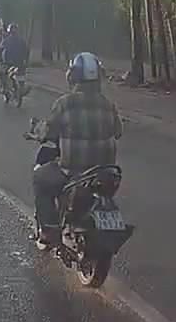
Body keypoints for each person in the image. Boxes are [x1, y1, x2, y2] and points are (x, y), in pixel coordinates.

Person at [32, 52, 124, 245]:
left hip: (74, 172)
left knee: (40, 178)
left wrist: (38, 132)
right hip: (106, 174)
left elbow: (48, 130)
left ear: (72, 77)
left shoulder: (65, 103)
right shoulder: (108, 105)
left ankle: (48, 230)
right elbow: (118, 132)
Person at [0, 23, 30, 93]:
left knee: (1, 73)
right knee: (22, 73)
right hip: (20, 62)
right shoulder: (21, 40)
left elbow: (0, 48)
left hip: (8, 62)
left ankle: (3, 87)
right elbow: (27, 51)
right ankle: (22, 87)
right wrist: (26, 61)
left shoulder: (7, 40)